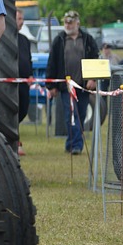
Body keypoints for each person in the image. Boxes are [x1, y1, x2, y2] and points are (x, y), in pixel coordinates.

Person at [46, 10, 99, 156]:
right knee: (71, 115)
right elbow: (52, 63)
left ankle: (70, 143)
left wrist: (93, 79)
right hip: (66, 87)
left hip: (83, 86)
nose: (68, 25)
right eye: (66, 22)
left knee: (80, 115)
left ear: (77, 23)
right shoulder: (59, 40)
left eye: (70, 22)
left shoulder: (88, 39)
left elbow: (95, 58)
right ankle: (77, 146)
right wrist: (51, 86)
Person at [16, 6, 33, 156]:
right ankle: (15, 141)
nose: (22, 22)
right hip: (10, 84)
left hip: (24, 84)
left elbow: (29, 60)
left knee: (23, 110)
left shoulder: (24, 40)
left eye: (22, 19)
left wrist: (31, 75)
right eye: (19, 18)